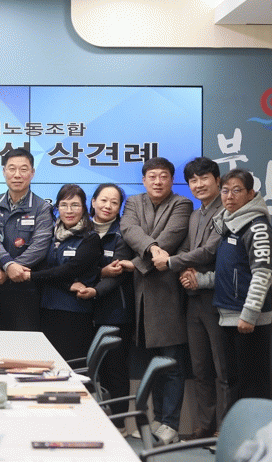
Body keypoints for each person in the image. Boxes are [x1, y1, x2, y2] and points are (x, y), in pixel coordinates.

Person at [152, 157, 229, 439]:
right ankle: (204, 427)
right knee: (200, 368)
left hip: (218, 299)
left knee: (223, 368)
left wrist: (173, 263)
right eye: (193, 180)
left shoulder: (226, 212)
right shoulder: (195, 215)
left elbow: (210, 251)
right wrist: (185, 272)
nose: (198, 185)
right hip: (193, 298)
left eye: (204, 178)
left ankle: (225, 429)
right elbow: (186, 249)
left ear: (217, 180)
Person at [121, 156, 193, 444]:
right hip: (140, 295)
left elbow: (172, 238)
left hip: (168, 293)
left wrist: (136, 263)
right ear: (144, 180)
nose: (158, 181)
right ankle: (157, 419)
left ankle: (170, 424)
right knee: (153, 363)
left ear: (172, 179)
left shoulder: (182, 204)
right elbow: (130, 230)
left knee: (172, 362)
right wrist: (152, 248)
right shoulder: (133, 202)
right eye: (152, 176)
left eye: (164, 176)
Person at [73, 183, 135, 434]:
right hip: (80, 311)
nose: (108, 206)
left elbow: (117, 274)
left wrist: (96, 288)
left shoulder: (123, 234)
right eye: (103, 200)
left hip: (114, 312)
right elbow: (72, 266)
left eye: (114, 202)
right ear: (93, 202)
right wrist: (99, 272)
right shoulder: (79, 229)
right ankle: (85, 424)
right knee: (84, 370)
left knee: (114, 370)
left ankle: (118, 424)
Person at [212, 169, 272, 403]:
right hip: (229, 316)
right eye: (225, 191)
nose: (229, 196)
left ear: (250, 194)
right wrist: (201, 279)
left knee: (254, 387)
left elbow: (263, 273)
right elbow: (232, 272)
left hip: (249, 320)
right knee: (237, 383)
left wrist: (249, 314)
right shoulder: (230, 223)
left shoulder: (257, 227)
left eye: (237, 190)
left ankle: (259, 428)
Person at [22, 184, 102, 359]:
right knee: (47, 363)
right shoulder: (51, 236)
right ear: (57, 207)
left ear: (84, 208)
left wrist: (32, 276)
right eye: (64, 205)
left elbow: (68, 270)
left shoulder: (91, 239)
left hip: (75, 312)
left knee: (71, 365)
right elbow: (44, 267)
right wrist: (68, 286)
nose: (69, 210)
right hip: (46, 309)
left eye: (75, 205)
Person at [0, 147, 54, 331]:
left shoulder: (42, 207)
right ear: (4, 171)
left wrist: (9, 271)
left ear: (32, 173)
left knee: (24, 341)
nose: (17, 175)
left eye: (23, 169)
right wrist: (8, 264)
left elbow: (40, 246)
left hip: (27, 289)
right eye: (12, 168)